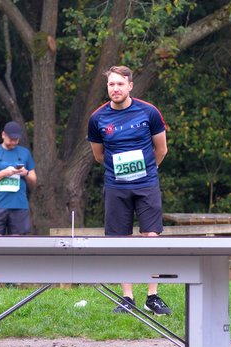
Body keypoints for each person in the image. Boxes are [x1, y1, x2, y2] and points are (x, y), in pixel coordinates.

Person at [86, 65, 172, 316]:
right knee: (119, 241)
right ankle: (127, 298)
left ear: (130, 86)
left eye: (120, 84)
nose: (115, 89)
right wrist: (122, 173)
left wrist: (145, 170)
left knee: (152, 238)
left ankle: (152, 296)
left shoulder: (149, 112)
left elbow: (162, 149)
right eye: (111, 84)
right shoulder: (97, 118)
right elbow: (99, 155)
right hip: (116, 186)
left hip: (146, 185)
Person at [0, 121, 37, 236]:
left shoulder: (25, 153)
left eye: (16, 139)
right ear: (3, 135)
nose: (13, 142)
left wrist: (25, 173)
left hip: (19, 205)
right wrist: (4, 173)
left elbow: (34, 179)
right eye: (11, 139)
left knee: (17, 247)